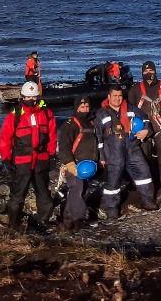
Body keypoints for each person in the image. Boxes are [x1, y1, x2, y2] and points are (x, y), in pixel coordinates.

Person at [0, 80, 56, 232]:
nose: (32, 100)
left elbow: (52, 137)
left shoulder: (46, 113)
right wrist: (6, 158)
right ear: (22, 97)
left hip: (41, 161)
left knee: (44, 195)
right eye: (29, 97)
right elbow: (5, 139)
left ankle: (43, 222)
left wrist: (50, 156)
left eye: (34, 97)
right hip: (22, 162)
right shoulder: (15, 115)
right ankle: (13, 224)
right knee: (17, 196)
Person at [95, 85, 159, 218]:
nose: (118, 99)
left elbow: (145, 119)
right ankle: (111, 209)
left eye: (120, 96)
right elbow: (99, 138)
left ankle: (147, 201)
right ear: (109, 97)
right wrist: (101, 157)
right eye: (115, 96)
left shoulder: (131, 109)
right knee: (113, 181)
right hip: (113, 153)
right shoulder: (101, 114)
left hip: (132, 149)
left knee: (144, 174)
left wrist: (146, 130)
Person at [128, 61, 161, 196]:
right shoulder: (135, 90)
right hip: (142, 131)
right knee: (143, 159)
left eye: (151, 71)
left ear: (155, 71)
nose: (149, 74)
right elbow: (130, 112)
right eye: (146, 72)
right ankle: (148, 186)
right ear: (142, 73)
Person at [57, 96, 100, 230]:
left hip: (89, 165)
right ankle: (80, 218)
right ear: (77, 108)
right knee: (77, 189)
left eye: (87, 107)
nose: (85, 110)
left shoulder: (92, 123)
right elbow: (64, 146)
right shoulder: (69, 125)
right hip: (75, 165)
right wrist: (70, 164)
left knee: (79, 190)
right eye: (82, 107)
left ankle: (68, 219)